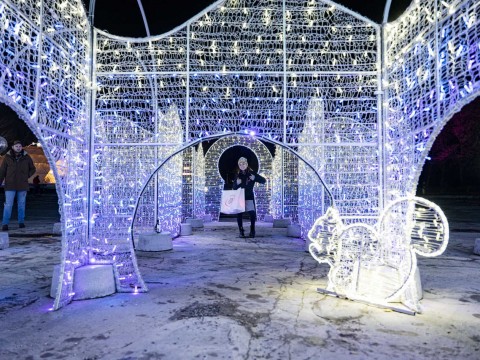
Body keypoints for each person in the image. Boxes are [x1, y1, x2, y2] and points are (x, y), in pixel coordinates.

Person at [0, 140, 36, 231]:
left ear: (21, 147)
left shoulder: (26, 157)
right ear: (13, 147)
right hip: (10, 185)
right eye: (16, 146)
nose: (18, 148)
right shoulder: (7, 157)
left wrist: (26, 176)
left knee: (21, 204)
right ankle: (5, 224)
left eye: (20, 146)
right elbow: (2, 171)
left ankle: (21, 222)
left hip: (22, 185)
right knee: (8, 204)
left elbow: (33, 169)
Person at [232, 157, 266, 238]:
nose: (242, 165)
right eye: (240, 164)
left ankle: (252, 229)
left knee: (252, 214)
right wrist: (236, 183)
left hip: (249, 197)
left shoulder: (251, 173)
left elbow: (263, 180)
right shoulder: (238, 174)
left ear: (246, 164)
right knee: (239, 214)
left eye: (243, 163)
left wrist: (255, 178)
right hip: (240, 197)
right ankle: (241, 231)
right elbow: (234, 187)